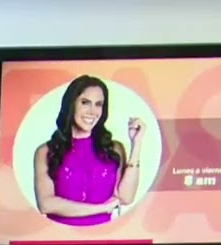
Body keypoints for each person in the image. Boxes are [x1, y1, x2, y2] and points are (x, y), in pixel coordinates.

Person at [33, 74, 145, 226]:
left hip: (102, 236)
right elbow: (46, 204)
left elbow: (126, 197)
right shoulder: (46, 151)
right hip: (59, 237)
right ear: (71, 104)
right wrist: (101, 208)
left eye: (98, 104)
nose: (92, 111)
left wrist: (136, 144)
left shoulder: (113, 149)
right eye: (85, 102)